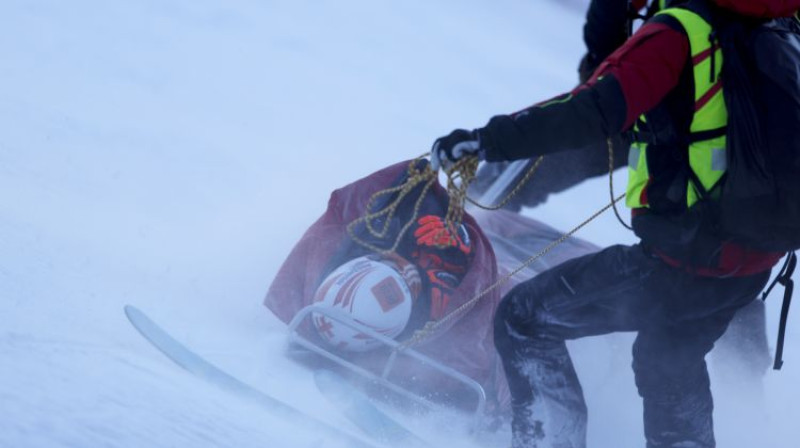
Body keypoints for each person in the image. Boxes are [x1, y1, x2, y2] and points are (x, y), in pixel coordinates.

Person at [429, 0, 797, 446]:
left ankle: (552, 441)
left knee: (523, 318)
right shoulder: (784, 29)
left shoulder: (679, 33)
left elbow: (590, 111)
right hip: (751, 264)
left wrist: (486, 141)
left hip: (682, 258)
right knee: (668, 358)